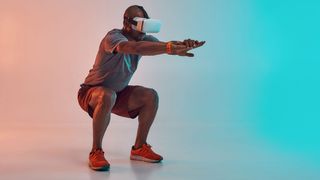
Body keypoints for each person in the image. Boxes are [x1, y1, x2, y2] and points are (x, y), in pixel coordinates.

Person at [77, 5, 205, 171]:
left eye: (146, 23)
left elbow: (165, 45)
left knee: (150, 96)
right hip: (91, 93)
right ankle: (96, 151)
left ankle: (139, 148)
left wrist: (183, 45)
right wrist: (167, 48)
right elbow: (134, 48)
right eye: (140, 23)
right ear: (126, 23)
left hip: (118, 94)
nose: (143, 29)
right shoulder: (113, 37)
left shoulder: (144, 39)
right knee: (107, 95)